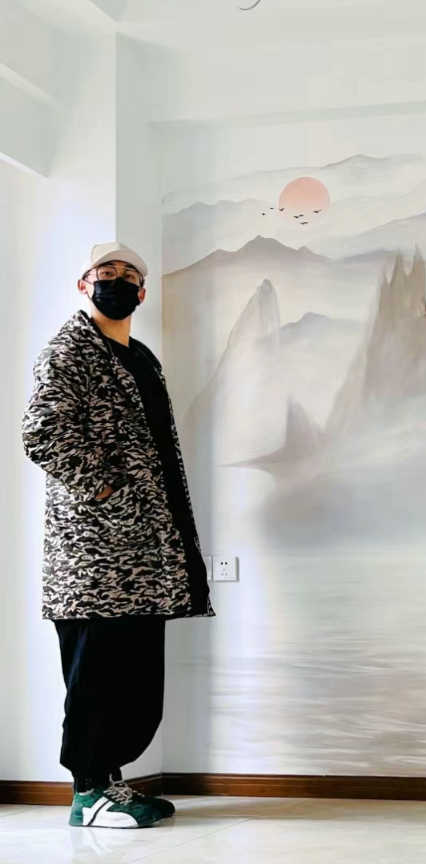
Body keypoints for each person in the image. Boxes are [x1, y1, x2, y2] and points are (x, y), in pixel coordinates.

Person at [21, 242, 216, 828]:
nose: (117, 280)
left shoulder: (141, 359)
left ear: (143, 292)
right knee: (97, 676)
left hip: (142, 553)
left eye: (128, 274)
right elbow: (41, 432)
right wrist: (109, 490)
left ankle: (111, 785)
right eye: (104, 273)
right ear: (84, 285)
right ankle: (88, 795)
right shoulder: (70, 350)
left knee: (132, 679)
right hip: (94, 556)